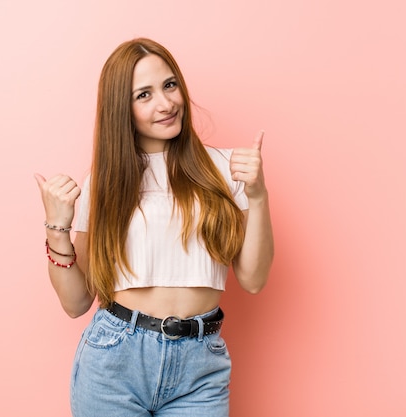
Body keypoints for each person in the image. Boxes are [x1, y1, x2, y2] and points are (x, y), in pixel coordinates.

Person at [34, 38, 273, 417]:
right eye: (143, 94)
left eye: (170, 85)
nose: (166, 103)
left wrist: (257, 196)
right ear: (121, 110)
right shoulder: (105, 183)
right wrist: (56, 229)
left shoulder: (227, 169)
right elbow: (76, 302)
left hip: (200, 367)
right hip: (114, 362)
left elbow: (254, 279)